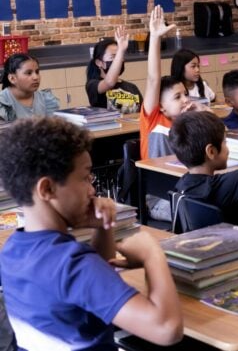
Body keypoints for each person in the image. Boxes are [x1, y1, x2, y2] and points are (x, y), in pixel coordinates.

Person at [0, 117, 182, 349]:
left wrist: (103, 228)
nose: (92, 188)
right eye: (85, 177)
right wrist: (153, 255)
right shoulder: (73, 264)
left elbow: (93, 287)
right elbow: (166, 329)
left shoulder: (13, 249)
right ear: (47, 189)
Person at [140, 5, 207, 221]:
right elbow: (152, 79)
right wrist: (155, 38)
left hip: (188, 189)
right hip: (160, 198)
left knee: (215, 203)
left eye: (185, 95)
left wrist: (203, 114)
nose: (186, 100)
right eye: (177, 97)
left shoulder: (189, 121)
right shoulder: (153, 119)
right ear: (161, 107)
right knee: (199, 212)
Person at [86, 26, 143, 114]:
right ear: (99, 63)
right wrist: (120, 50)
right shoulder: (93, 85)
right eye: (113, 56)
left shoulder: (132, 87)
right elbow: (109, 82)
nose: (119, 60)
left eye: (120, 56)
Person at [0, 53, 59, 122]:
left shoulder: (46, 99)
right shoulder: (3, 103)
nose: (36, 77)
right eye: (28, 73)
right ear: (12, 78)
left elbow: (52, 128)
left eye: (37, 72)